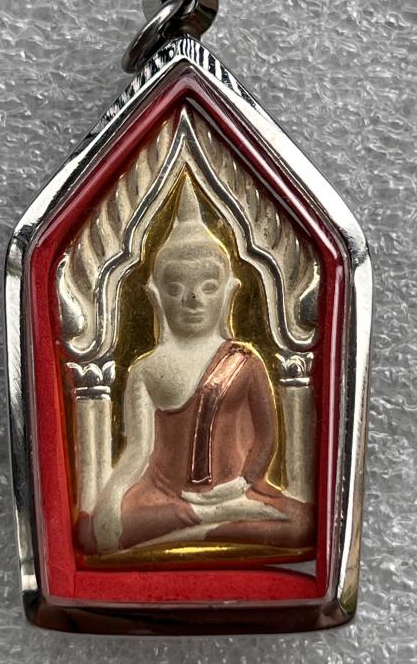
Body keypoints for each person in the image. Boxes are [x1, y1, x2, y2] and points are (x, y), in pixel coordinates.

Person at [81, 177, 314, 554]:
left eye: (208, 287)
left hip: (235, 491)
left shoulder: (244, 361)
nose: (193, 299)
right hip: (165, 497)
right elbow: (138, 450)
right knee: (98, 531)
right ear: (156, 296)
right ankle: (209, 521)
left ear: (229, 293)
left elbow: (266, 438)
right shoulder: (146, 369)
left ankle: (200, 525)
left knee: (303, 525)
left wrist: (242, 484)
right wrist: (111, 499)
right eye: (176, 289)